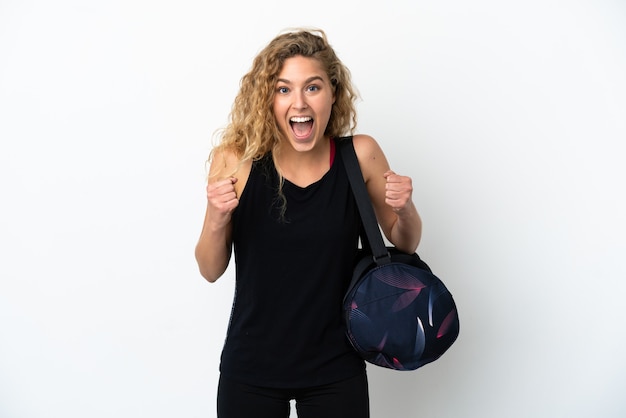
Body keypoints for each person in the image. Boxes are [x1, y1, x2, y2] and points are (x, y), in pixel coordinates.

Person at [195, 28, 422, 418]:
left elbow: (406, 243)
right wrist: (217, 218)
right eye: (283, 89)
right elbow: (210, 269)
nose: (298, 102)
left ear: (332, 93)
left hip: (335, 366)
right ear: (267, 98)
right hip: (251, 368)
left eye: (312, 87)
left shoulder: (359, 155)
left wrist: (405, 209)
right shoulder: (236, 161)